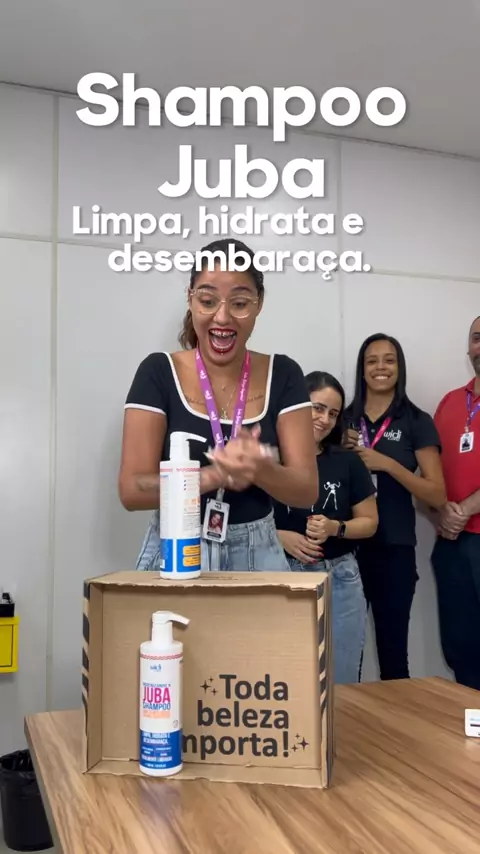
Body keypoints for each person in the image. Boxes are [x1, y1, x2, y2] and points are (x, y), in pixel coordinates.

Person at [118, 238, 319, 572]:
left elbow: (306, 489)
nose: (222, 317)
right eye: (208, 301)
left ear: (259, 303)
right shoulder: (158, 372)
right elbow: (132, 490)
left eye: (239, 303)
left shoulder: (283, 374)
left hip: (259, 553)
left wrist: (259, 468)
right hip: (176, 546)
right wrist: (215, 475)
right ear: (190, 298)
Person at [343, 333, 446, 681]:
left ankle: (397, 719)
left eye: (389, 360)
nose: (381, 367)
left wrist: (388, 465)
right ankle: (345, 719)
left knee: (393, 659)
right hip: (346, 552)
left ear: (399, 367)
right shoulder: (342, 421)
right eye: (372, 360)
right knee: (345, 658)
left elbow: (437, 495)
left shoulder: (416, 420)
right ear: (362, 369)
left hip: (394, 551)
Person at [273, 371, 378, 684]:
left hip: (340, 579)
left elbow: (370, 522)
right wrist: (278, 537)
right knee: (288, 680)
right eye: (317, 408)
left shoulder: (347, 462)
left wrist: (336, 527)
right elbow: (244, 521)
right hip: (284, 576)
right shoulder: (270, 459)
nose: (324, 419)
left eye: (333, 413)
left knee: (342, 679)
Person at [430, 316, 480, 690]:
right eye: (477, 338)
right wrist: (441, 510)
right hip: (451, 544)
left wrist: (465, 510)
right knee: (461, 647)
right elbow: (430, 470)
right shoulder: (449, 403)